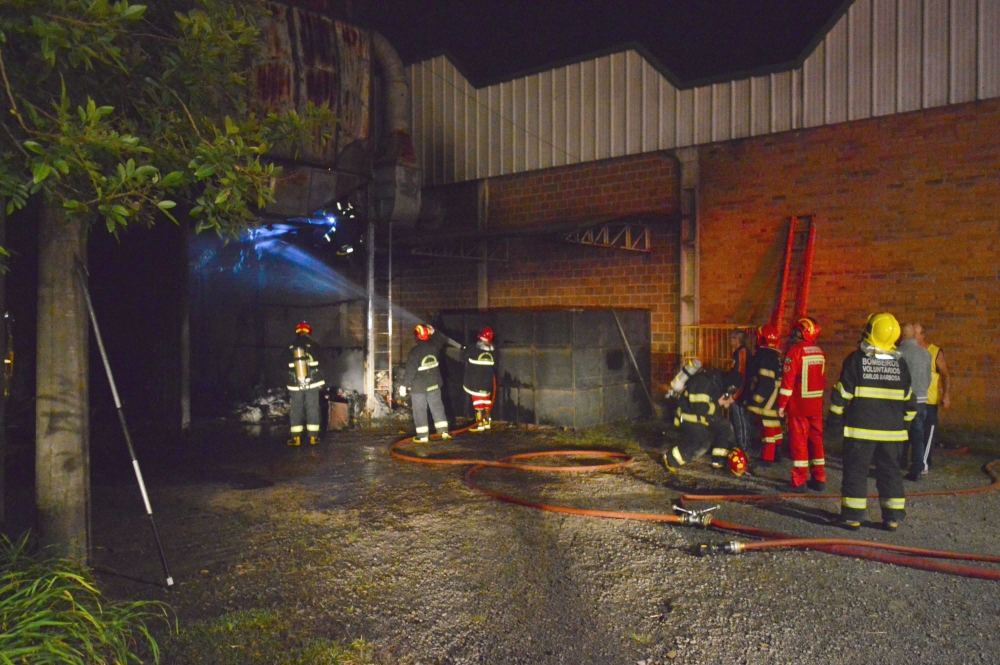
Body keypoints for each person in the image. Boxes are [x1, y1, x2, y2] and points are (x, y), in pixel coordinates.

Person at [828, 313, 916, 530]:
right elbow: (910, 403)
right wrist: (902, 425)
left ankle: (852, 516)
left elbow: (842, 394)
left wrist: (834, 419)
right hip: (892, 435)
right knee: (891, 473)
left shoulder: (856, 360)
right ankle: (893, 517)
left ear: (869, 331)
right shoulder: (900, 364)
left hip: (861, 432)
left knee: (856, 472)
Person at [775, 317, 827, 492]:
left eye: (797, 330)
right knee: (816, 441)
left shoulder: (795, 351)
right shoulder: (819, 352)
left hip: (799, 406)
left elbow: (788, 383)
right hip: (816, 405)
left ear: (802, 332)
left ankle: (799, 481)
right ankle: (819, 477)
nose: (794, 334)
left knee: (799, 442)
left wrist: (781, 405)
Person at [662, 361, 742, 473]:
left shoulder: (716, 383)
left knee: (725, 426)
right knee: (702, 444)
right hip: (689, 417)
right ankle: (670, 460)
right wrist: (718, 403)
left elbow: (710, 406)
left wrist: (723, 402)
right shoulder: (703, 382)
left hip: (701, 416)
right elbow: (699, 408)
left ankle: (719, 462)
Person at [399, 324, 451, 443]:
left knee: (419, 410)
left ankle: (422, 436)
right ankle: (443, 431)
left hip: (419, 387)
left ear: (416, 337)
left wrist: (404, 385)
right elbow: (442, 338)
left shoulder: (415, 352)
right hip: (434, 384)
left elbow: (410, 371)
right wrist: (433, 331)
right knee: (437, 407)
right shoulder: (434, 347)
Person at [896, 323, 932, 481]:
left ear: (902, 335)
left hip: (904, 400)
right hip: (922, 399)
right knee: (918, 435)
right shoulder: (925, 353)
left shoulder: (897, 353)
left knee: (899, 434)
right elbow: (929, 378)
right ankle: (917, 466)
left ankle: (898, 463)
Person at [745, 323, 784, 466]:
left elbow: (766, 383)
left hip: (768, 399)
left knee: (767, 427)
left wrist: (755, 399)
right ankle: (777, 452)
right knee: (775, 426)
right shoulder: (774, 356)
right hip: (776, 398)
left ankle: (767, 458)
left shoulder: (765, 357)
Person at [914, 323, 951, 473]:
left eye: (916, 334)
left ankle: (924, 463)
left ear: (923, 336)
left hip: (929, 401)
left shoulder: (935, 352)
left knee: (927, 433)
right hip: (912, 399)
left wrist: (946, 395)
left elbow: (946, 375)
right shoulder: (909, 352)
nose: (913, 337)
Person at [286, 321, 325, 446]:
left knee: (296, 409)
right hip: (312, 382)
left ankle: (296, 438)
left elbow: (281, 363)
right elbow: (323, 361)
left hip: (294, 382)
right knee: (312, 408)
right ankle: (313, 438)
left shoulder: (290, 346)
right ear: (309, 332)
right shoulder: (314, 345)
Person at [463, 326, 496, 432]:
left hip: (475, 383)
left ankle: (479, 424)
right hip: (487, 383)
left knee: (478, 402)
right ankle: (487, 422)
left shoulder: (473, 349)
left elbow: (463, 357)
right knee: (486, 401)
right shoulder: (493, 351)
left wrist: (464, 349)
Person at [728, 329, 756, 454]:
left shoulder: (742, 352)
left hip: (741, 393)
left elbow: (741, 374)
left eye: (731, 338)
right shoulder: (738, 352)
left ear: (736, 339)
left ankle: (745, 448)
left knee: (741, 420)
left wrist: (736, 395)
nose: (730, 341)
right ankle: (741, 445)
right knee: (738, 420)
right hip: (738, 392)